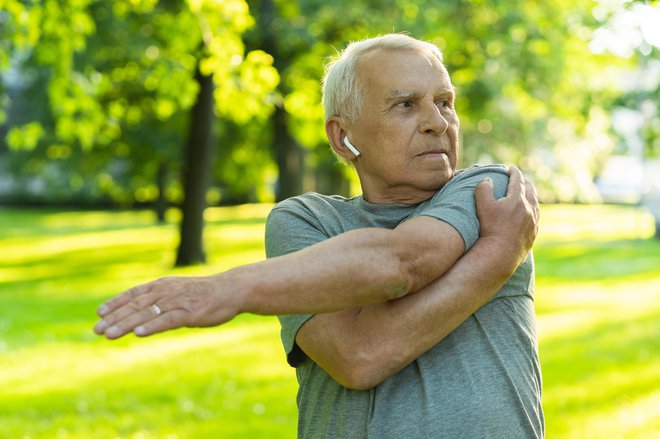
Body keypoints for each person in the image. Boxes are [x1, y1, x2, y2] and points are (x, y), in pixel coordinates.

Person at [94, 33, 543, 438]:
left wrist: (232, 288)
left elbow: (405, 262)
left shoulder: (490, 191)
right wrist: (494, 260)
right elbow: (359, 356)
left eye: (444, 102)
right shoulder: (305, 222)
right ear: (343, 136)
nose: (438, 123)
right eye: (405, 104)